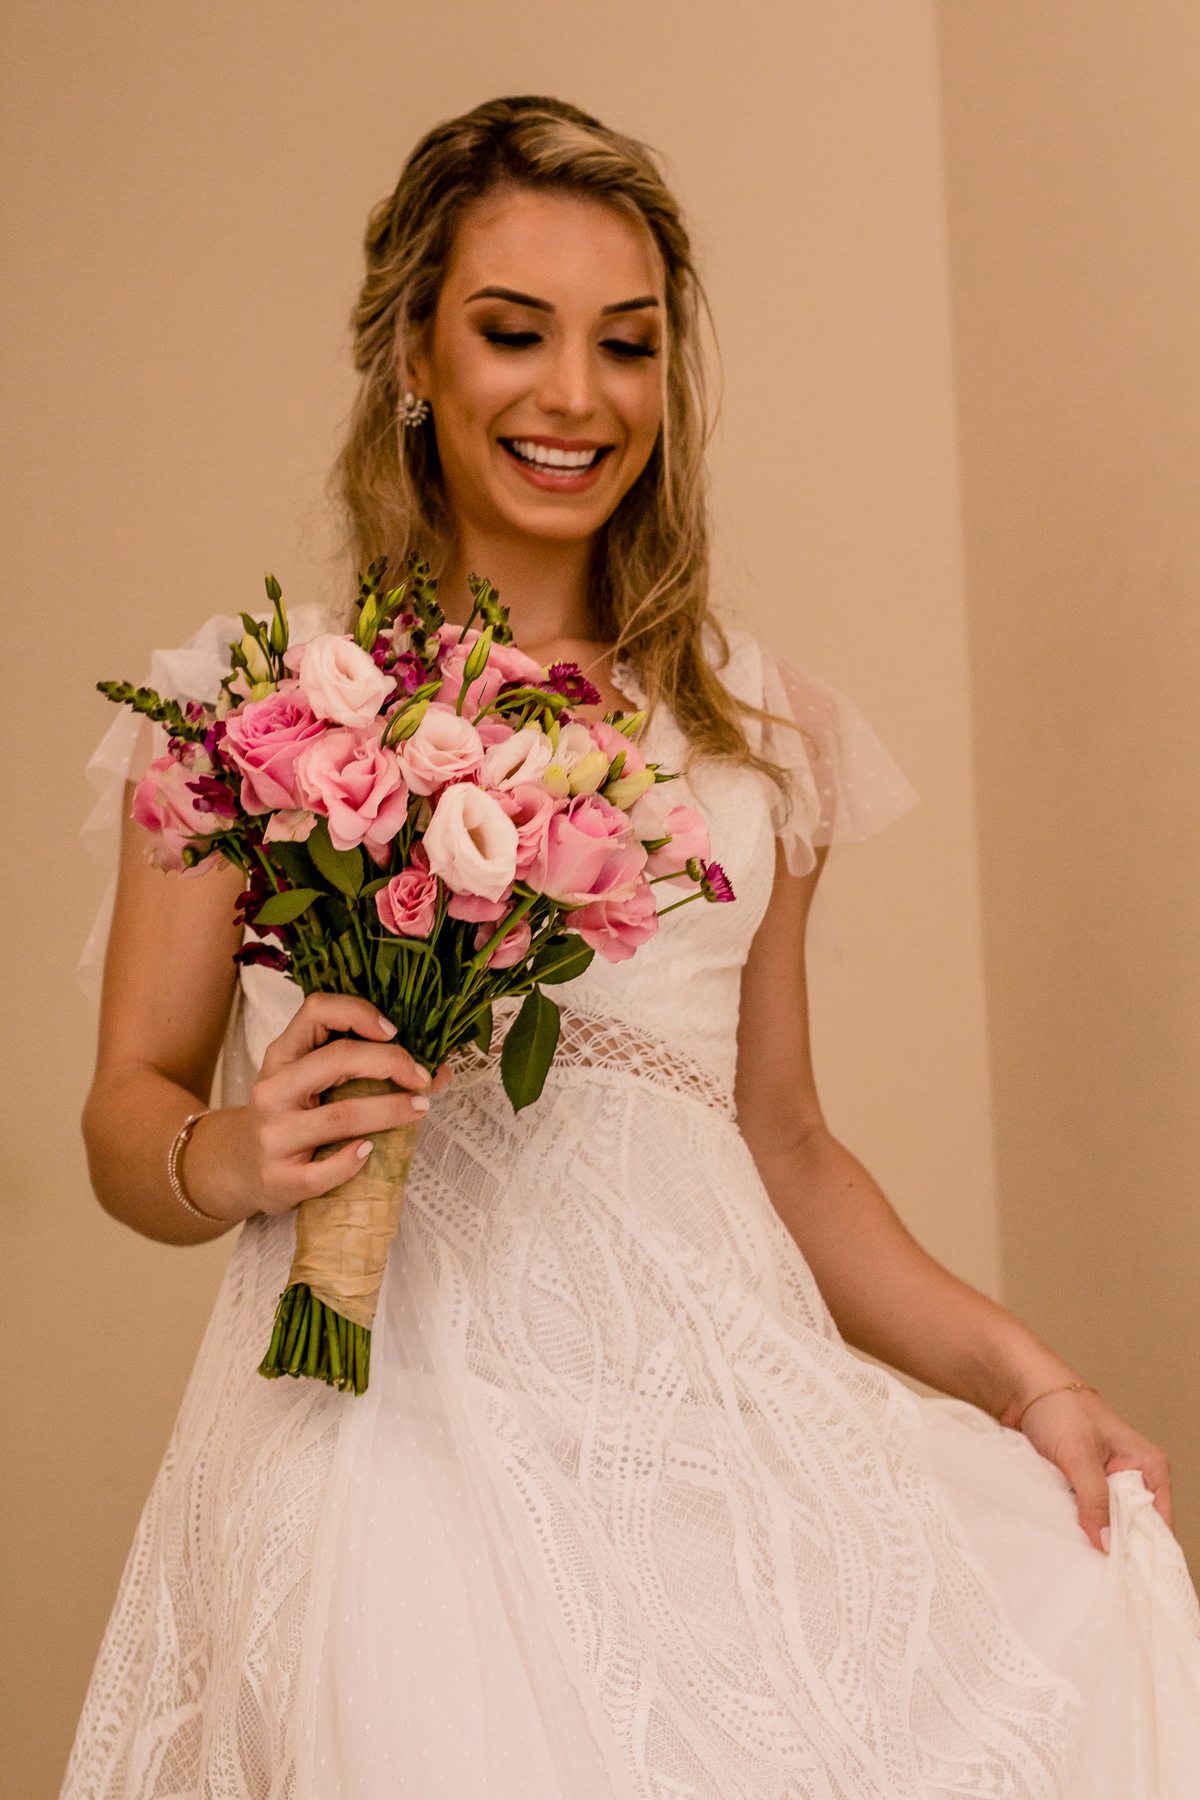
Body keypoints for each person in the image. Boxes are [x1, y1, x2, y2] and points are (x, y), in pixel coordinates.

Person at [65, 96, 1200, 1800]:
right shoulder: (255, 707)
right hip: (381, 1430)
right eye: (514, 332)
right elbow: (125, 1113)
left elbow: (786, 1142)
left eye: (628, 343)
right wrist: (230, 1154)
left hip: (698, 1453)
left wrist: (1035, 1383)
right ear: (413, 358)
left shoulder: (758, 735)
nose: (576, 398)